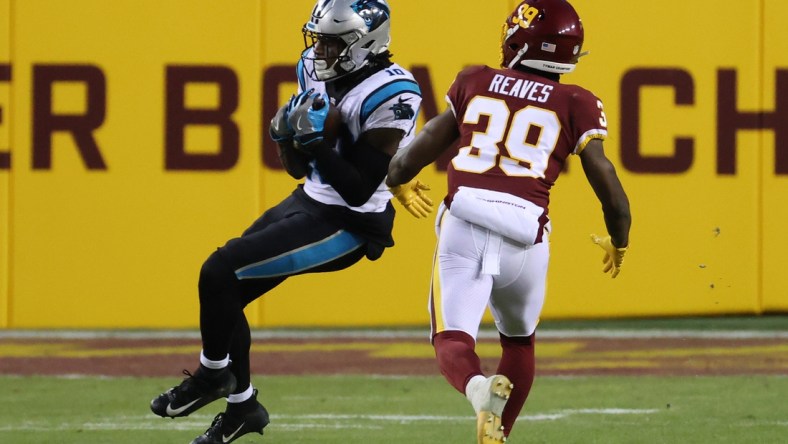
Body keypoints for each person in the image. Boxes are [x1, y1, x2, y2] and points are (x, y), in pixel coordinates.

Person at [149, 1, 432, 443]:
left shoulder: (394, 94)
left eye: (333, 41)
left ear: (365, 43)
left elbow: (357, 188)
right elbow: (299, 170)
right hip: (310, 200)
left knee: (218, 270)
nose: (320, 48)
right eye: (318, 37)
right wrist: (289, 139)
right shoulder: (312, 66)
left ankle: (212, 375)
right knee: (224, 293)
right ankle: (242, 406)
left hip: (350, 223)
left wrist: (315, 143)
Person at [386, 0, 631, 442]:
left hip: (465, 221)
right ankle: (501, 433)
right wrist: (620, 239)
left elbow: (424, 143)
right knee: (519, 342)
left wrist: (397, 180)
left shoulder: (475, 79)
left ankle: (479, 391)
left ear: (520, 38)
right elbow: (607, 181)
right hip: (527, 234)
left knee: (452, 337)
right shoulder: (578, 101)